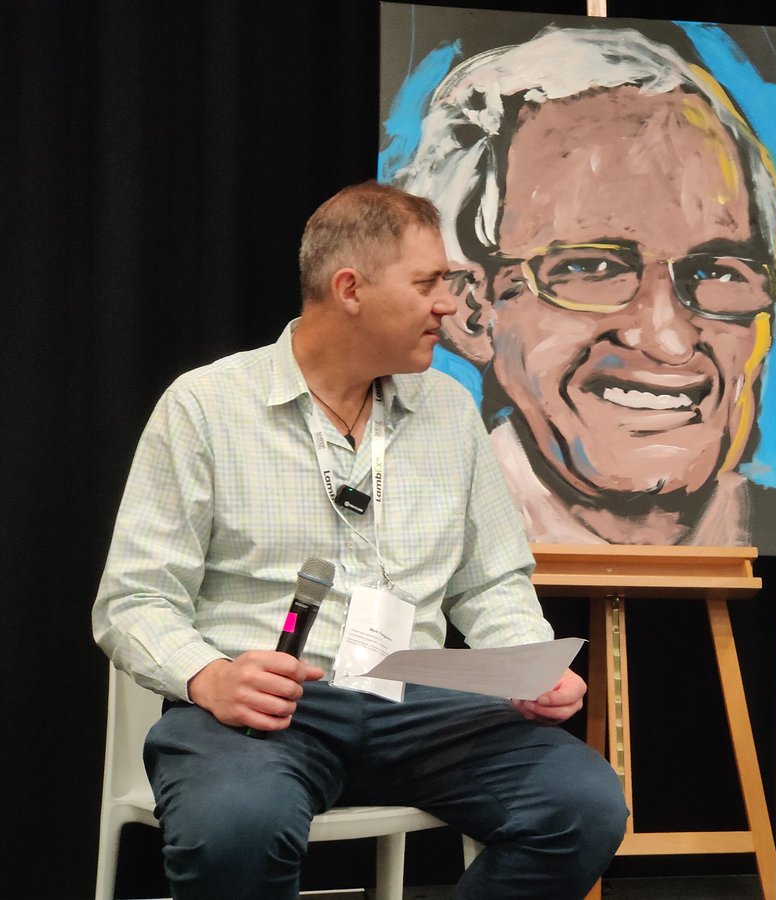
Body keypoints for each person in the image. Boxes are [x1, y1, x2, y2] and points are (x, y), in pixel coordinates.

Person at [93, 181, 627, 900]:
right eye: (429, 283)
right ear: (350, 288)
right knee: (236, 829)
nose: (449, 304)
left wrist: (522, 663)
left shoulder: (448, 409)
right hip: (269, 712)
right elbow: (134, 599)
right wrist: (209, 677)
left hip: (417, 707)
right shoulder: (207, 407)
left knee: (583, 805)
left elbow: (490, 579)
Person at [389, 26, 776, 548]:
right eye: (591, 270)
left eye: (715, 272)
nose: (669, 340)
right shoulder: (419, 538)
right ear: (473, 310)